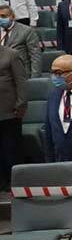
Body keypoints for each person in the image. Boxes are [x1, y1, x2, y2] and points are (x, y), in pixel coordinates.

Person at [0, 38, 28, 200]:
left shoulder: (11, 54)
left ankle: (15, 183)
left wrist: (21, 105)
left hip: (10, 112)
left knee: (11, 149)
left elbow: (21, 82)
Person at [0, 5, 40, 75]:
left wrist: (35, 77)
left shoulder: (27, 31)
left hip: (20, 74)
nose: (0, 19)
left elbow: (35, 56)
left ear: (12, 16)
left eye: (3, 16)